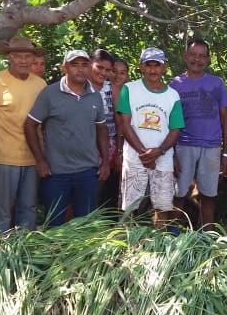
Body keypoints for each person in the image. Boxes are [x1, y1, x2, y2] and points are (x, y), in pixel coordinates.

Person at [24, 49, 110, 225]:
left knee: (84, 225)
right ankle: (55, 253)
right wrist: (40, 161)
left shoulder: (94, 96)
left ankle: (83, 254)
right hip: (56, 173)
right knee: (55, 225)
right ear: (65, 68)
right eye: (74, 65)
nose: (80, 69)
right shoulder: (50, 93)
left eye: (84, 65)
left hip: (87, 171)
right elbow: (30, 125)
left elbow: (101, 130)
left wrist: (106, 162)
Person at [0, 36, 47, 233]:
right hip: (4, 156)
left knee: (28, 207)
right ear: (9, 57)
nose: (23, 60)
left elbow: (44, 122)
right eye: (18, 56)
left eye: (28, 56)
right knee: (2, 208)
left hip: (32, 156)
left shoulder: (40, 84)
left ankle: (24, 252)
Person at [116, 47, 185, 227]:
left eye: (157, 65)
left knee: (162, 207)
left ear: (164, 68)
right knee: (129, 207)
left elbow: (176, 128)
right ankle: (127, 244)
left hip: (163, 159)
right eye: (149, 65)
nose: (153, 70)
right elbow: (125, 123)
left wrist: (159, 151)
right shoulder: (129, 90)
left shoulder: (172, 95)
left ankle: (157, 247)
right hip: (135, 158)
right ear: (141, 67)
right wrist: (143, 153)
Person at [170, 39, 227, 228]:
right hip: (183, 146)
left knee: (208, 195)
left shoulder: (216, 83)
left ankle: (206, 238)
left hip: (211, 147)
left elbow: (225, 120)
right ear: (185, 57)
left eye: (202, 56)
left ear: (208, 60)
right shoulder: (175, 84)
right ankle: (173, 235)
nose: (197, 59)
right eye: (193, 55)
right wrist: (171, 153)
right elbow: (170, 121)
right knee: (179, 194)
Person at [91, 49, 121, 208]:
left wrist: (119, 151)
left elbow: (119, 122)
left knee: (99, 186)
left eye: (108, 69)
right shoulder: (81, 85)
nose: (103, 72)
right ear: (90, 64)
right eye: (99, 67)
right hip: (83, 142)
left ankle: (93, 222)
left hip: (107, 144)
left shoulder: (112, 89)